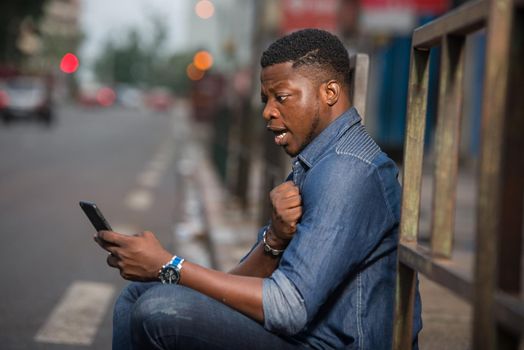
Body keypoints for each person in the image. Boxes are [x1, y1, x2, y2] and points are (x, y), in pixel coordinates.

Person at [95, 28, 422, 349]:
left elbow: (288, 308)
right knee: (139, 295)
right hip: (305, 334)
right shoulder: (317, 161)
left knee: (158, 312)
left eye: (281, 98)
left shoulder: (349, 171)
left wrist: (170, 266)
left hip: (329, 342)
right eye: (266, 99)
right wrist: (275, 240)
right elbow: (240, 280)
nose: (268, 112)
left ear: (330, 93)